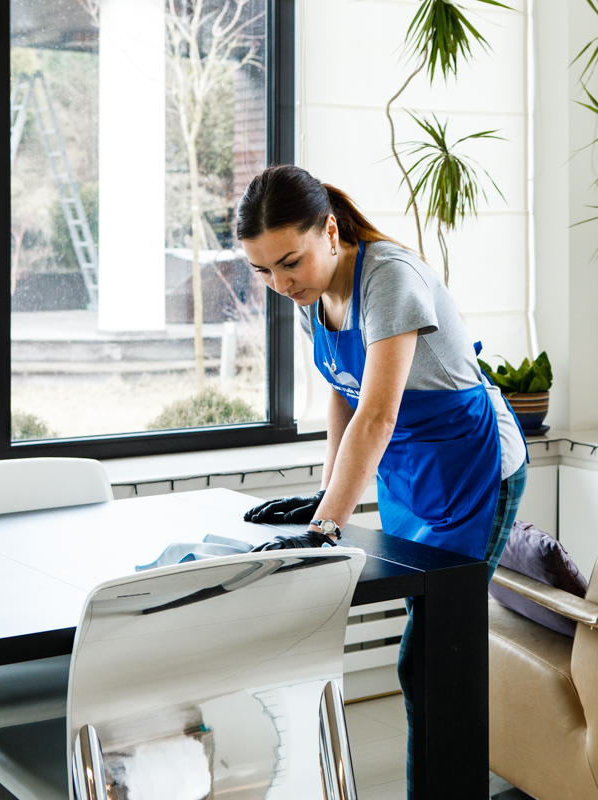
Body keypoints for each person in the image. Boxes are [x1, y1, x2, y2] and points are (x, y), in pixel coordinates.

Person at [234, 165, 527, 794]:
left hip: (472, 469)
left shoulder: (388, 278)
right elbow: (343, 395)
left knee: (431, 661)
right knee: (432, 657)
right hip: (410, 476)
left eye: (289, 263)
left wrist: (328, 525)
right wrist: (324, 495)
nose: (279, 284)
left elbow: (379, 413)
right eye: (262, 271)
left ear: (330, 231)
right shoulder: (316, 293)